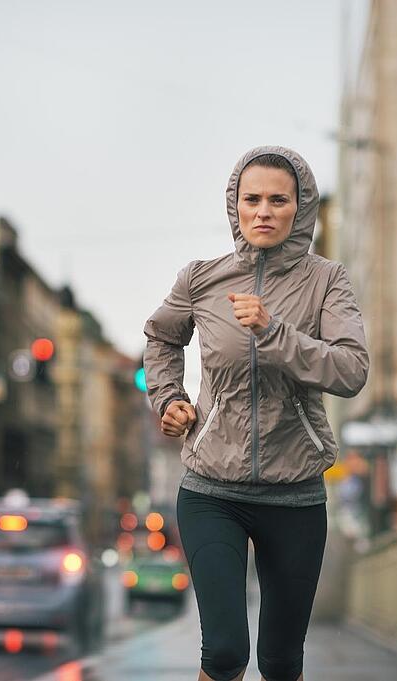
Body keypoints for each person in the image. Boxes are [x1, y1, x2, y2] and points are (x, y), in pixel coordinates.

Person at [143, 146, 369, 681]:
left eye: (277, 199)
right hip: (211, 490)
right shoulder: (201, 279)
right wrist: (168, 398)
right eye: (252, 199)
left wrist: (275, 333)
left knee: (280, 663)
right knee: (223, 654)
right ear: (235, 206)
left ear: (300, 207)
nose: (263, 210)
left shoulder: (327, 281)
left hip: (295, 495)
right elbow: (160, 337)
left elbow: (351, 369)